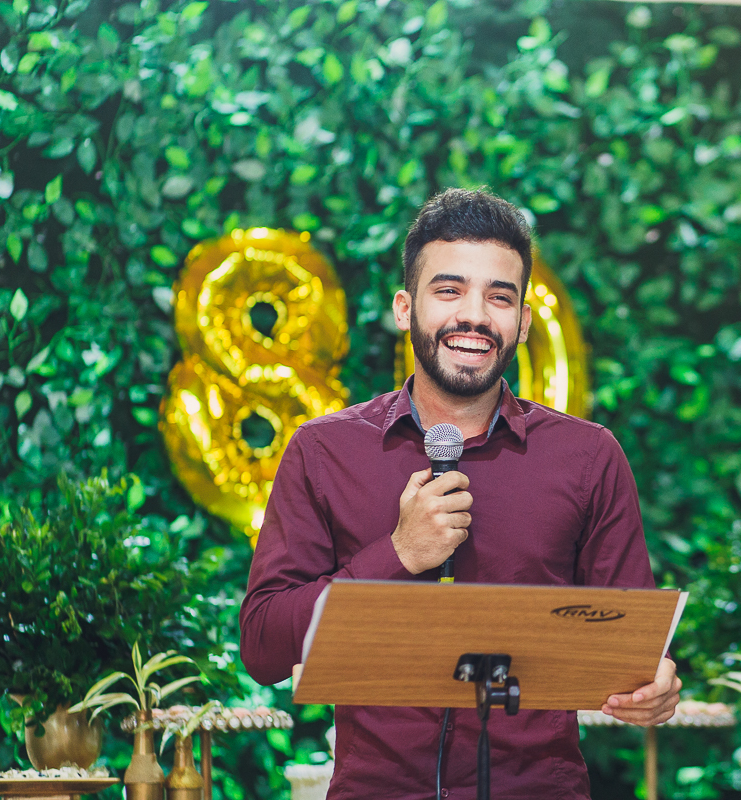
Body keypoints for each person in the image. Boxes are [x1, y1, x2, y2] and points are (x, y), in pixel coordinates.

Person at [240, 188, 680, 799]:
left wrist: (652, 685)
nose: (474, 316)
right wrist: (397, 554)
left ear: (523, 322)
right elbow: (263, 645)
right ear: (404, 308)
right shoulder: (324, 451)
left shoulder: (587, 457)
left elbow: (629, 650)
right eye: (449, 290)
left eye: (499, 297)